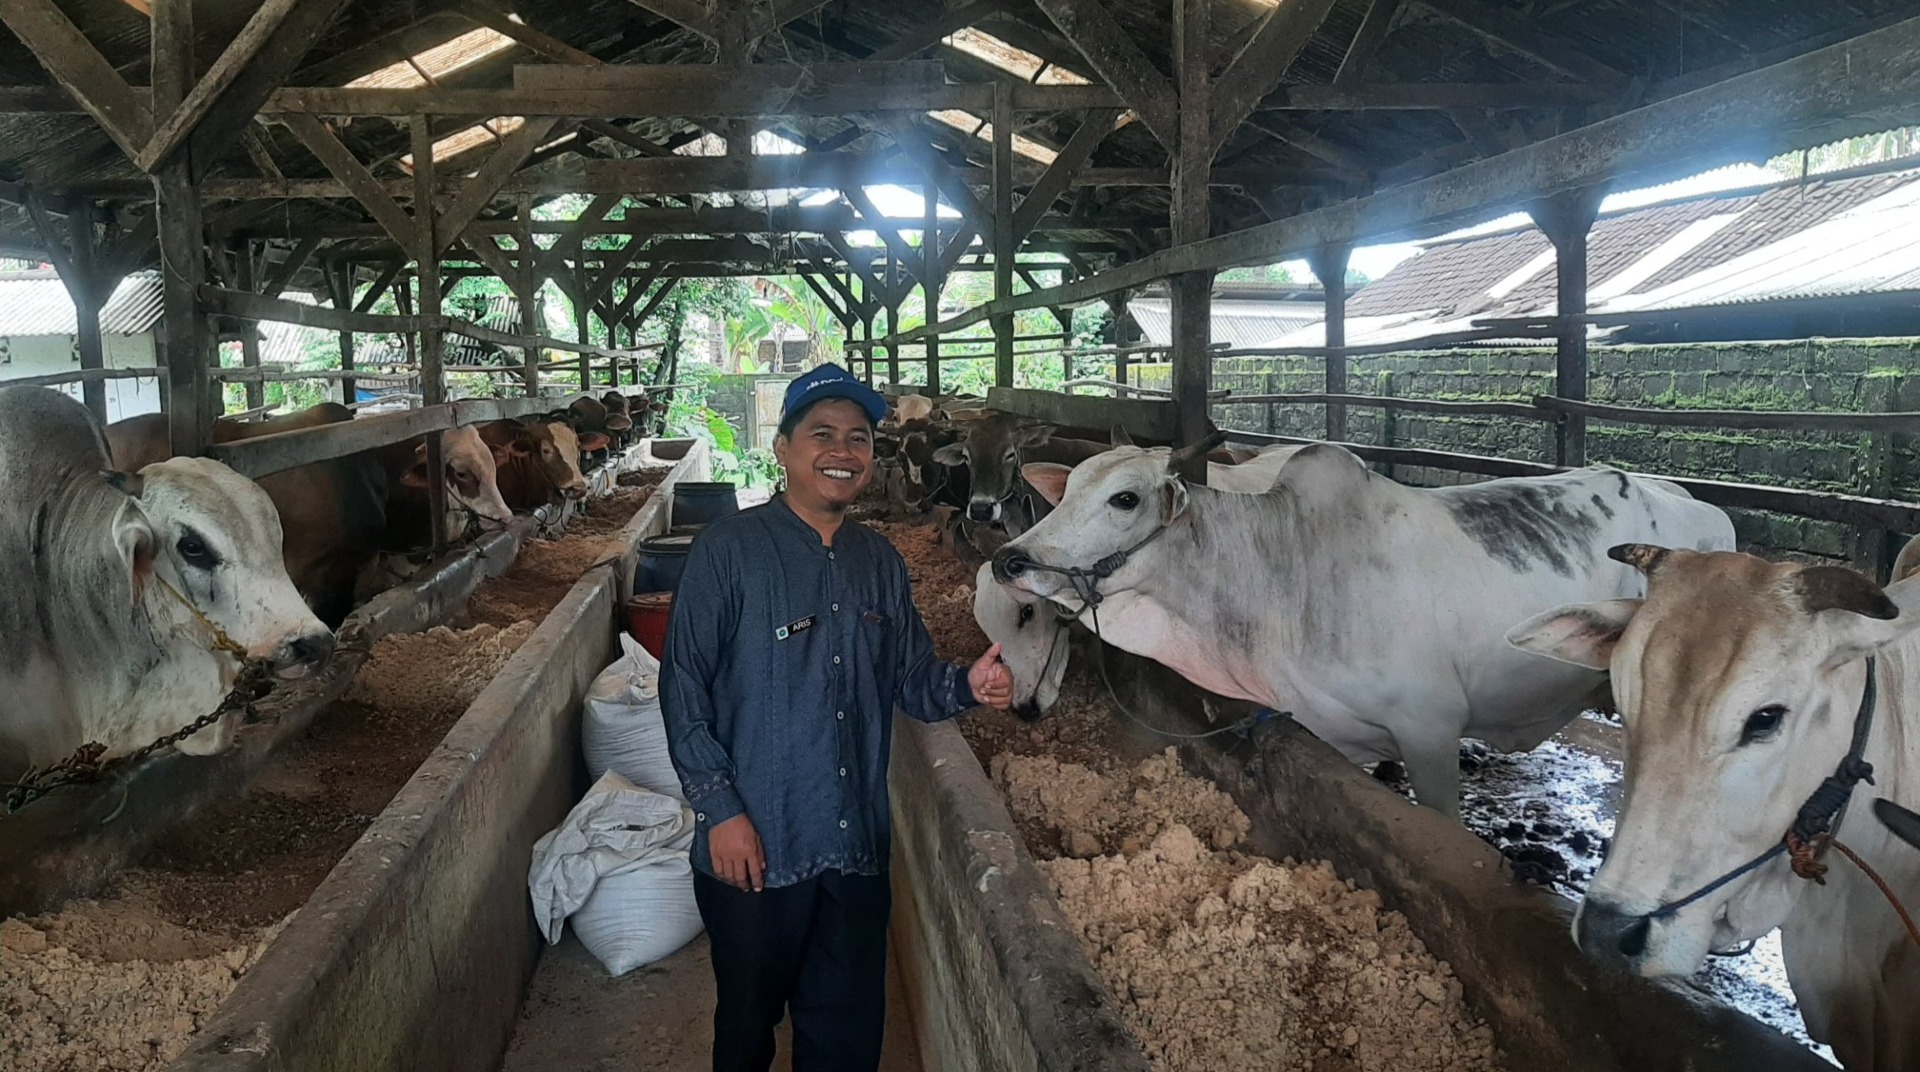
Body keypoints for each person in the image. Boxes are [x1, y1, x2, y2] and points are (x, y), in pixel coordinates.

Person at [661, 362, 1014, 1072]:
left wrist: (967, 683)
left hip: (854, 851)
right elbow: (683, 686)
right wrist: (718, 810)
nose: (843, 451)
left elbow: (910, 680)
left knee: (846, 1038)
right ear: (783, 448)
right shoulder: (728, 552)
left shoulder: (879, 561)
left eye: (859, 438)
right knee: (746, 1031)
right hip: (756, 849)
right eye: (821, 433)